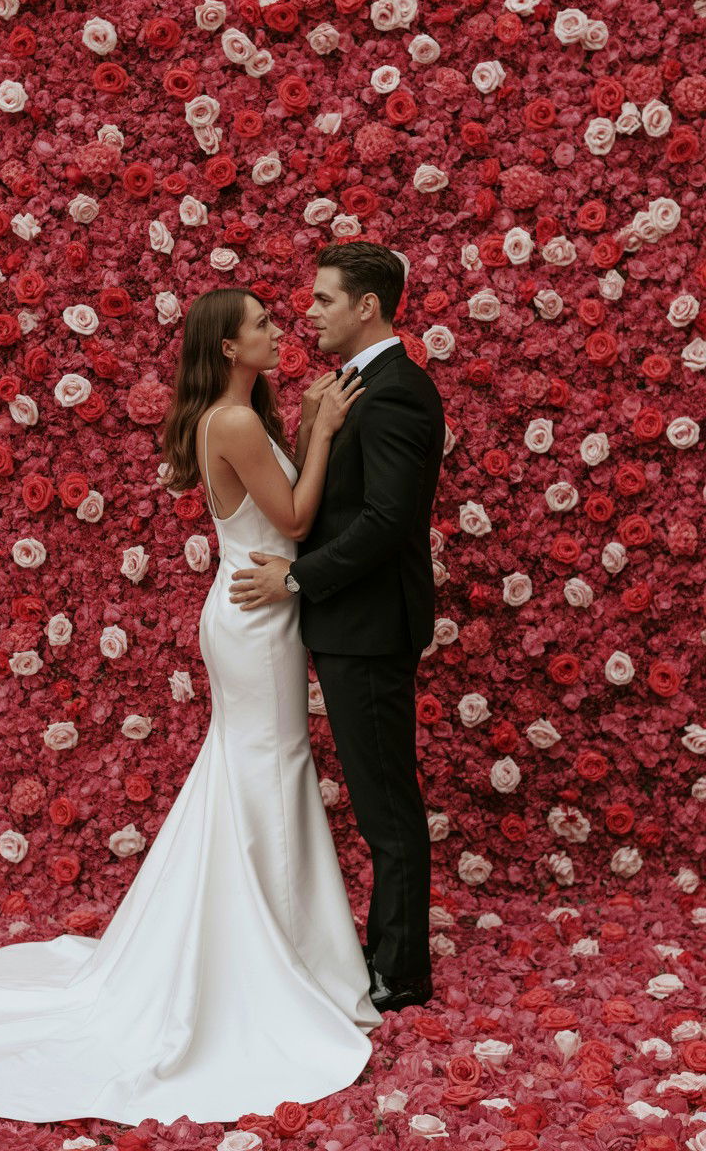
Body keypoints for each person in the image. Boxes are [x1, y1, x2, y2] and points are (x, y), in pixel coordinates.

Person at [0, 285, 381, 1127]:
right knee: (268, 763)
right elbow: (293, 518)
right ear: (227, 347)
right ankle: (277, 960)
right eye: (260, 323)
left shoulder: (236, 420)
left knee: (256, 766)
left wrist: (303, 435)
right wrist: (322, 431)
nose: (276, 330)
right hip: (256, 621)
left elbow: (279, 506)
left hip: (256, 610)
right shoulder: (231, 423)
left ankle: (274, 945)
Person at [228, 241, 445, 1014]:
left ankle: (401, 972)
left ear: (367, 307)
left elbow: (386, 520)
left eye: (323, 299)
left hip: (369, 626)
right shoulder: (356, 386)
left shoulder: (394, 394)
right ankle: (385, 950)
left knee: (386, 804)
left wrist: (295, 577)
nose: (308, 311)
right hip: (347, 624)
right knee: (377, 795)